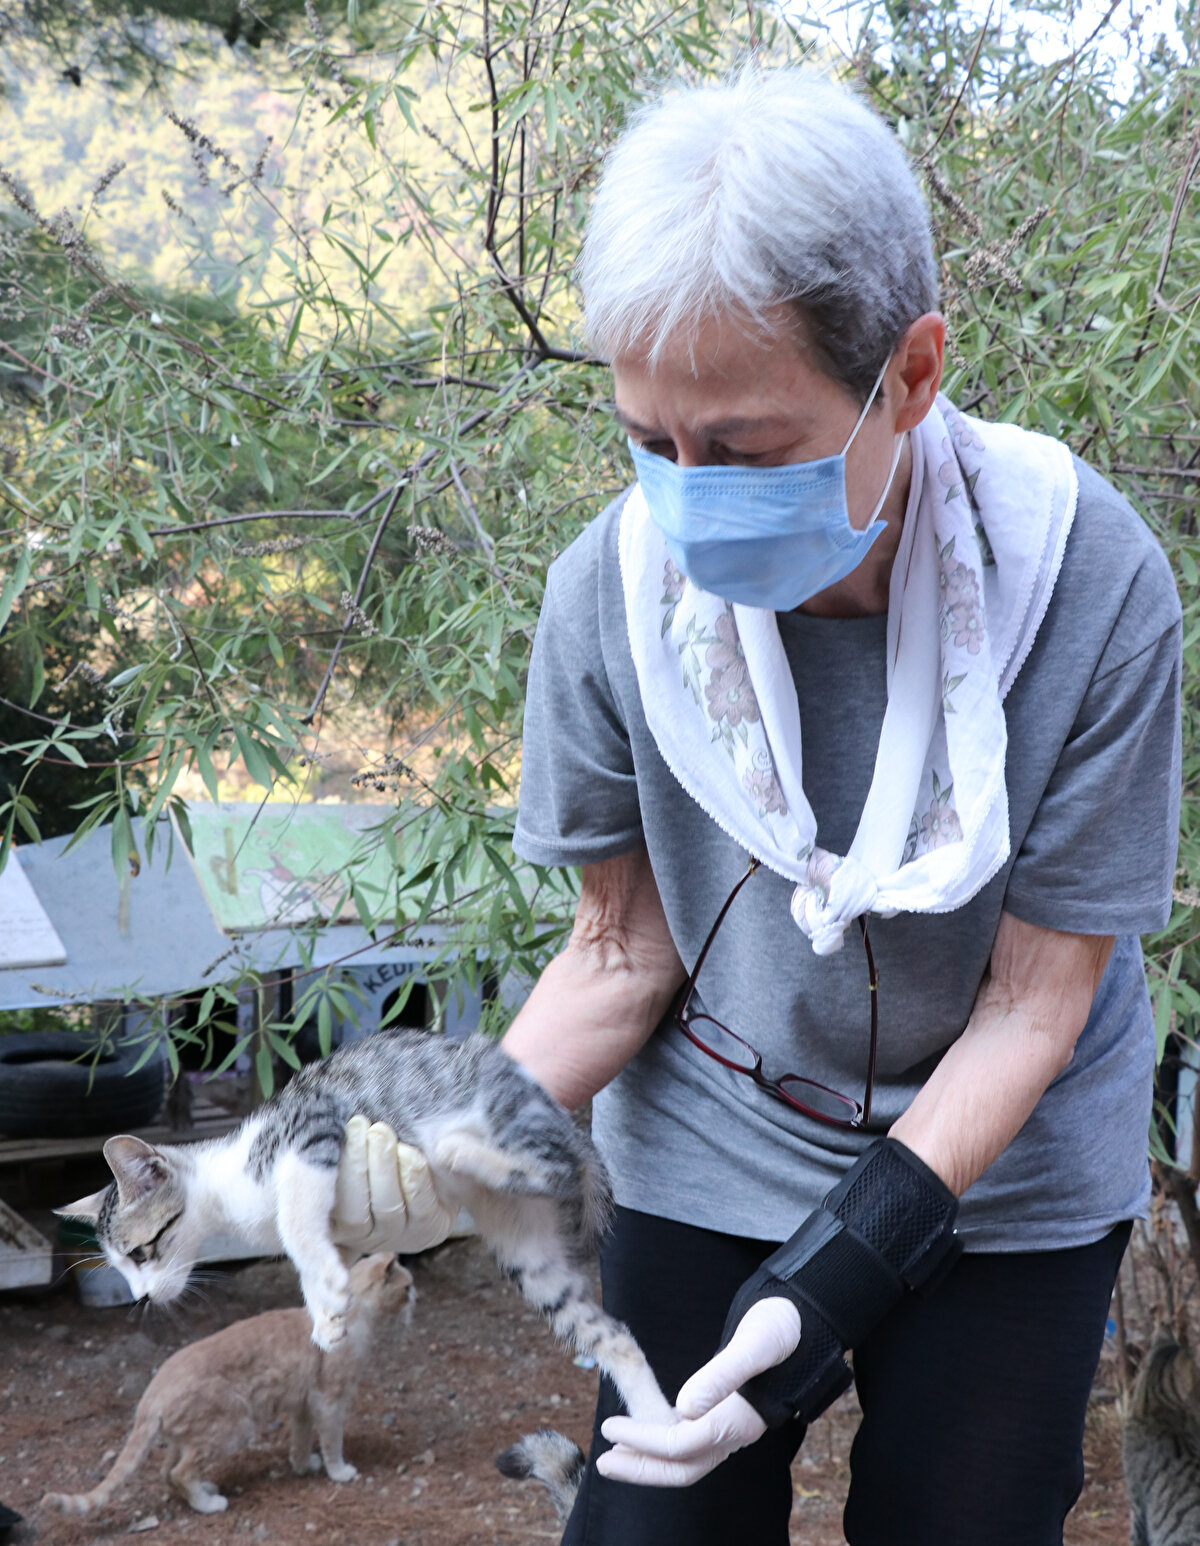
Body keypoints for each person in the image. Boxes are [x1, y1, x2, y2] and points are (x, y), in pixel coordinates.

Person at [334, 68, 1183, 1546]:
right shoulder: (609, 596)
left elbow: (1039, 1007)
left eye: (739, 447)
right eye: (649, 443)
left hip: (1016, 1148)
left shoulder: (1089, 587)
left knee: (961, 1519)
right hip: (721, 1115)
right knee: (651, 1528)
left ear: (909, 377)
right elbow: (619, 952)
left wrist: (837, 1274)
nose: (685, 497)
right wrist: (441, 1141)